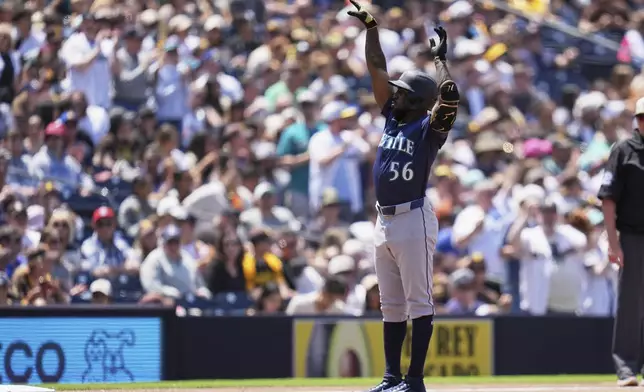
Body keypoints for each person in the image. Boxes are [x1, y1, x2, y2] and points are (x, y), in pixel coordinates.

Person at [348, 2, 459, 392]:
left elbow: (449, 96)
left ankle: (415, 380)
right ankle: (391, 377)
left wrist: (440, 59)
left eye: (403, 93)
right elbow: (377, 68)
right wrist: (371, 28)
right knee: (391, 305)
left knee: (419, 302)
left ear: (417, 99)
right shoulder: (393, 115)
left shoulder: (431, 127)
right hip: (384, 219)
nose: (394, 94)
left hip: (414, 217)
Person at [598, 96, 644, 387]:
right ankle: (626, 368)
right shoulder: (623, 150)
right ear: (637, 120)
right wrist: (614, 243)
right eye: (642, 117)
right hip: (631, 236)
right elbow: (608, 199)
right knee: (630, 303)